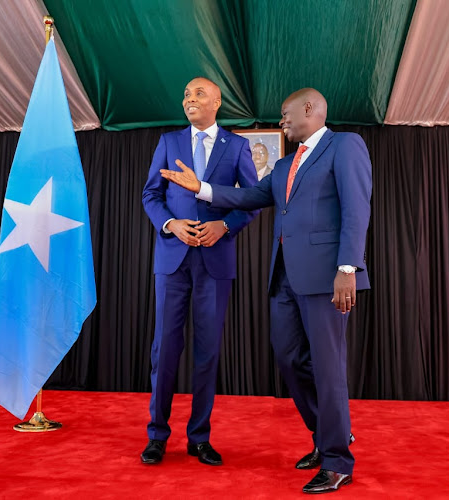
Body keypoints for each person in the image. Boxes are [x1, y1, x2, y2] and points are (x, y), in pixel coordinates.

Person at [160, 88, 372, 494]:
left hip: (327, 278)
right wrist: (199, 188)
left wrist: (348, 267)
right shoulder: (285, 164)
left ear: (310, 107)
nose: (282, 121)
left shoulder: (345, 146)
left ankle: (336, 460)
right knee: (289, 359)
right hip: (285, 279)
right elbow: (248, 196)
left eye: (285, 114)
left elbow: (356, 208)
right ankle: (328, 435)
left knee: (329, 370)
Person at [140, 77, 258, 466]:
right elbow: (151, 195)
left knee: (207, 351)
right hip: (173, 258)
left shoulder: (238, 146)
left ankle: (199, 437)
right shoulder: (169, 142)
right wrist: (170, 225)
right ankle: (157, 435)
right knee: (165, 348)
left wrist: (225, 225)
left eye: (198, 93)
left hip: (215, 260)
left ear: (217, 101)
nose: (189, 98)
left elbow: (252, 201)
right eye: (186, 93)